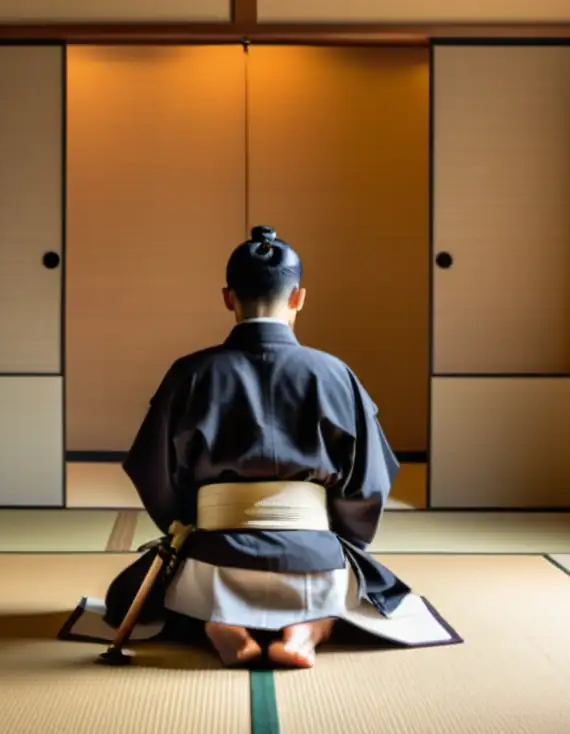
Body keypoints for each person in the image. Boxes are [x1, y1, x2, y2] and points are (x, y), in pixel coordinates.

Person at [64, 226, 459, 668]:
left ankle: (222, 627)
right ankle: (305, 633)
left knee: (164, 596)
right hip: (314, 560)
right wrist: (340, 538)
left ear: (228, 297)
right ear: (299, 298)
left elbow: (153, 470)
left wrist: (191, 526)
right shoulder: (334, 374)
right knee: (344, 601)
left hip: (214, 560)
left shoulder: (190, 373)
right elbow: (369, 480)